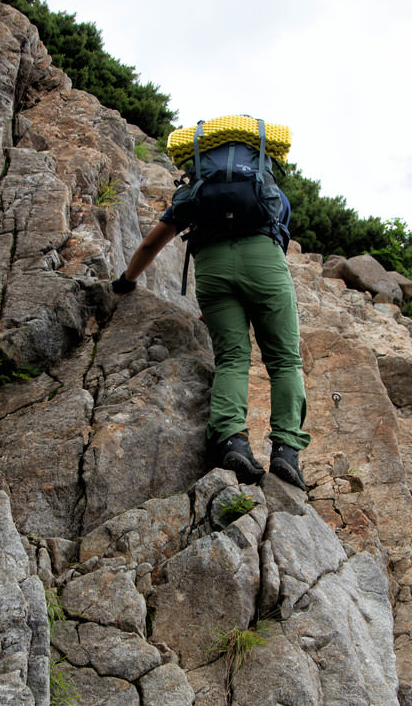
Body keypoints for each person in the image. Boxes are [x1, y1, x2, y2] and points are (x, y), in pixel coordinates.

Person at [112, 170, 309, 490]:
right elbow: (271, 255)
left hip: (213, 274)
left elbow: (151, 243)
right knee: (285, 361)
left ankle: (234, 442)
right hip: (266, 268)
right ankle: (286, 452)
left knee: (232, 358)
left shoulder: (197, 193)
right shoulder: (271, 195)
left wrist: (127, 280)